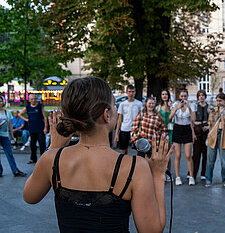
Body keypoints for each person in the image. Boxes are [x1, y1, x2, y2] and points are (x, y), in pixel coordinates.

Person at [23, 77, 174, 233]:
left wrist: (54, 147)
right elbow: (152, 230)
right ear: (106, 114)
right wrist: (157, 175)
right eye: (114, 104)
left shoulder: (52, 159)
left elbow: (29, 196)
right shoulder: (134, 167)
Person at [205, 92, 225, 187]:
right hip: (213, 136)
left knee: (224, 161)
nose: (218, 103)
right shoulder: (214, 109)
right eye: (217, 101)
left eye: (220, 101)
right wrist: (212, 114)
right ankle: (208, 179)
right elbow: (210, 122)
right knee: (210, 160)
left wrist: (223, 114)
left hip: (224, 136)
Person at [169, 89, 196, 186]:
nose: (183, 98)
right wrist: (177, 108)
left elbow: (193, 119)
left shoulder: (191, 105)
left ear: (187, 96)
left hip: (187, 130)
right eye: (182, 96)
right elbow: (170, 117)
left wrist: (188, 107)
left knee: (188, 155)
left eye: (185, 96)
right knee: (177, 155)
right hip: (177, 130)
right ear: (179, 97)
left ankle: (191, 177)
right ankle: (177, 177)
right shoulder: (175, 104)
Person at [0, 97, 27, 177]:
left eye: (1, 101)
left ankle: (15, 171)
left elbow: (10, 124)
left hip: (5, 136)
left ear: (3, 102)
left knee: (9, 154)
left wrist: (12, 136)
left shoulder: (6, 112)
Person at [19, 94, 47, 164]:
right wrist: (26, 119)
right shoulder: (28, 107)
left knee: (42, 144)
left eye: (34, 99)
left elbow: (45, 117)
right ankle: (33, 158)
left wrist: (45, 128)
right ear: (29, 100)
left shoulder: (40, 106)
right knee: (32, 145)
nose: (33, 100)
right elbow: (20, 114)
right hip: (32, 128)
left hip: (40, 128)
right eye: (31, 99)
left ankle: (43, 158)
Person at [114, 85, 142, 154]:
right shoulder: (122, 104)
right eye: (129, 92)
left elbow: (142, 118)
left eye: (132, 92)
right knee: (124, 149)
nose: (131, 93)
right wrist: (116, 134)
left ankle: (137, 163)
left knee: (138, 149)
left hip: (135, 129)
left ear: (135, 92)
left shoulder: (139, 104)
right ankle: (125, 163)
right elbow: (119, 119)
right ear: (126, 92)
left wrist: (141, 129)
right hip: (125, 128)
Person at [191, 90, 211, 181]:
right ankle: (192, 173)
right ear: (197, 97)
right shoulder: (195, 106)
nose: (201, 97)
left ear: (205, 96)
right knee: (196, 154)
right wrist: (193, 133)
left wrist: (208, 126)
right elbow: (192, 121)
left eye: (203, 95)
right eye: (199, 95)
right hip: (197, 130)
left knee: (205, 153)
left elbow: (212, 120)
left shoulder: (209, 107)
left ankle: (203, 173)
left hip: (206, 131)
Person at [157, 89, 173, 181]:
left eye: (166, 94)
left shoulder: (171, 106)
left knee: (168, 154)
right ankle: (161, 172)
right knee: (161, 154)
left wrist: (172, 108)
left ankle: (168, 173)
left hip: (169, 131)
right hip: (161, 132)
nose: (164, 96)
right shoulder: (158, 107)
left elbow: (173, 118)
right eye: (162, 94)